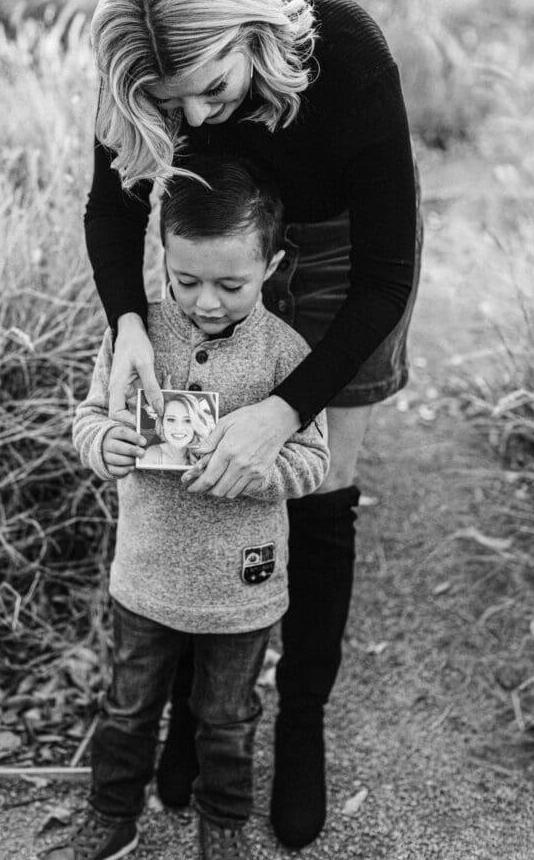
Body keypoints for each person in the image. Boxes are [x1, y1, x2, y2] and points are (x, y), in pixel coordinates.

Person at [85, 0, 422, 849]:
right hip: (230, 253)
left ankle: (300, 720)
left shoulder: (346, 54)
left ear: (248, 31)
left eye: (210, 87)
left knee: (317, 490)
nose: (193, 112)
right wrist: (126, 327)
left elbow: (386, 276)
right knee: (206, 458)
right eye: (170, 101)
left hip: (345, 256)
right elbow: (111, 207)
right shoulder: (144, 72)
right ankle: (197, 713)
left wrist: (282, 410)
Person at [54, 158, 330, 860]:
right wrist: (105, 444)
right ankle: (111, 815)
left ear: (272, 264)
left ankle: (224, 826)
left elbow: (313, 462)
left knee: (228, 718)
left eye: (231, 284)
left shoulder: (287, 356)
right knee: (127, 705)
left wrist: (256, 471)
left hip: (243, 586)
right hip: (144, 575)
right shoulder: (135, 334)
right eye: (187, 280)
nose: (207, 302)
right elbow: (89, 417)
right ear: (163, 259)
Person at [139, 393, 215, 468]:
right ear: (162, 423)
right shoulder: (151, 455)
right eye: (171, 419)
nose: (179, 428)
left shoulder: (205, 454)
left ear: (196, 425)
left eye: (188, 420)